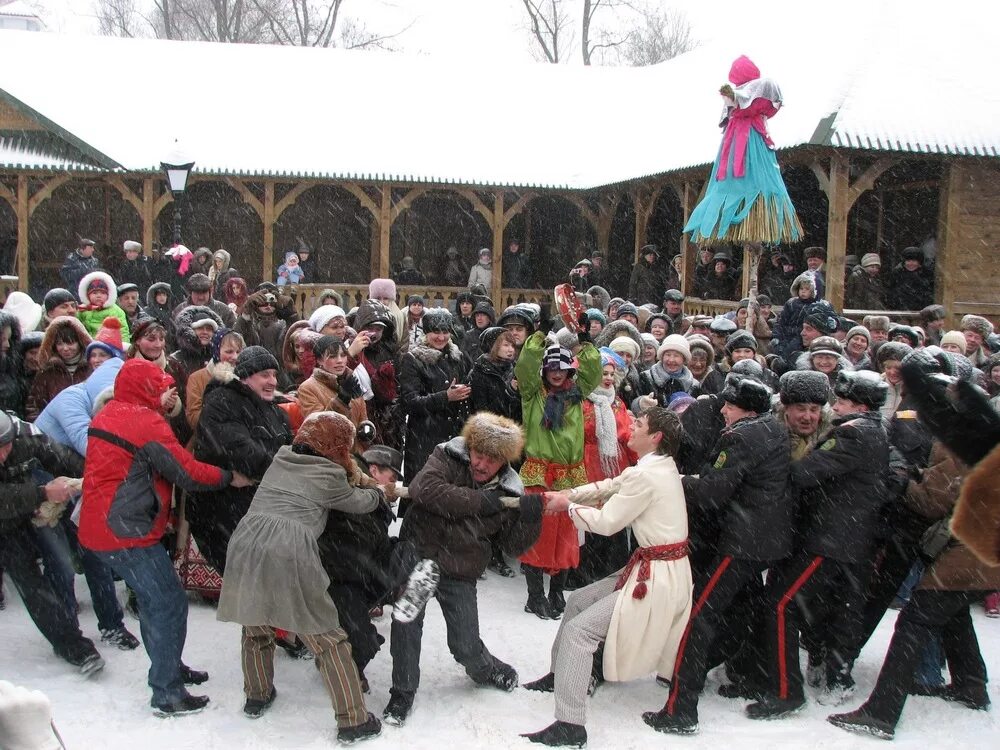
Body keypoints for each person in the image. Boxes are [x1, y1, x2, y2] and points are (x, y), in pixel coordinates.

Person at [79, 357, 252, 715]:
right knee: (168, 602)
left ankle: (169, 665)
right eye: (161, 387)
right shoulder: (144, 422)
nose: (168, 392)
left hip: (101, 524)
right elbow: (185, 471)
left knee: (154, 601)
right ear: (146, 390)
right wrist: (227, 477)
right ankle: (167, 691)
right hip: (124, 531)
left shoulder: (112, 412)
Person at [521, 407, 692, 748]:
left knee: (578, 633)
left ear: (655, 437)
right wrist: (568, 496)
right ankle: (560, 675)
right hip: (653, 566)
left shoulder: (649, 474)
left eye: (639, 424)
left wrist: (566, 508)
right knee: (580, 602)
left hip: (656, 577)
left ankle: (570, 725)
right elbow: (611, 485)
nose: (632, 424)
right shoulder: (653, 466)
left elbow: (606, 523)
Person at [217, 412, 385, 742]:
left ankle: (257, 695)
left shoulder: (281, 458)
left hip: (247, 540)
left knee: (256, 623)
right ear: (338, 447)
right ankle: (353, 720)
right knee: (329, 640)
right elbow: (358, 502)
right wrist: (379, 493)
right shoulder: (329, 473)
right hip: (289, 547)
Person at [643, 377, 790, 736]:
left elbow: (712, 491)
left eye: (731, 405)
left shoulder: (740, 437)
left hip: (742, 542)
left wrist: (675, 481)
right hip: (767, 542)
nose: (723, 410)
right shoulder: (774, 429)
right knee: (745, 609)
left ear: (749, 411)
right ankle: (751, 675)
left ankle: (681, 708)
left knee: (700, 617)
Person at [828, 437, 998, 739]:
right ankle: (971, 684)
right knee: (954, 610)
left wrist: (906, 482)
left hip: (967, 556)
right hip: (986, 556)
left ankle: (881, 711)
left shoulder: (953, 443)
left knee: (914, 622)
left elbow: (933, 500)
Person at [384, 411, 544, 725]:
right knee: (407, 623)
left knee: (464, 644)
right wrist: (482, 502)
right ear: (469, 447)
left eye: (491, 459)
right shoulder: (448, 454)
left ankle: (487, 669)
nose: (481, 464)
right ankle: (402, 694)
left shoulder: (511, 490)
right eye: (478, 454)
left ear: (505, 461)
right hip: (422, 559)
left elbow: (512, 547)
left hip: (461, 568)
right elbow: (422, 489)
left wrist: (530, 518)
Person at [747, 370, 890, 719]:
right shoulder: (870, 431)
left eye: (825, 405)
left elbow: (804, 473)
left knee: (781, 605)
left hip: (830, 539)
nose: (813, 415)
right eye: (801, 408)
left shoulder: (848, 433)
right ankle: (821, 676)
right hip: (830, 537)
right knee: (830, 609)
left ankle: (787, 691)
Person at [0, 411, 105, 675]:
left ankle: (69, 635)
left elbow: (61, 457)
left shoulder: (26, 435)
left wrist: (93, 478)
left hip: (25, 514)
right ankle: (70, 641)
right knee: (30, 582)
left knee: (54, 567)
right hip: (12, 513)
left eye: (6, 447)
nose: (3, 455)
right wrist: (42, 493)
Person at [517, 319, 601, 619]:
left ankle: (556, 593)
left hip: (570, 474)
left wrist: (582, 338)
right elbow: (525, 365)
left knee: (568, 536)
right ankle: (534, 595)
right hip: (539, 473)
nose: (556, 372)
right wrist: (540, 334)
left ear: (570, 371)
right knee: (536, 534)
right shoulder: (531, 394)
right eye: (551, 368)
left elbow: (593, 367)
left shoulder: (578, 394)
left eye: (562, 368)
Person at [187, 346, 293, 575]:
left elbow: (290, 452)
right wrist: (285, 473)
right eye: (265, 374)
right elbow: (242, 452)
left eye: (274, 374)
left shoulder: (275, 412)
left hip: (258, 507)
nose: (272, 381)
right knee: (246, 580)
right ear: (244, 377)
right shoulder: (222, 402)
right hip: (222, 513)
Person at [568, 348, 638, 588]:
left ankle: (609, 571)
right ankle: (582, 572)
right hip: (586, 462)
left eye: (611, 373)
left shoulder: (618, 403)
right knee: (588, 519)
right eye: (602, 373)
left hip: (614, 465)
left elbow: (627, 434)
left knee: (613, 519)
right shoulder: (580, 400)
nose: (608, 378)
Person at [398, 308, 472, 488]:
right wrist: (445, 396)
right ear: (426, 333)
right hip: (424, 438)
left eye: (445, 332)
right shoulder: (412, 359)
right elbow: (410, 402)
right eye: (435, 332)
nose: (441, 337)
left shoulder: (458, 358)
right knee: (424, 491)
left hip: (454, 436)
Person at [25, 316, 93, 422]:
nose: (65, 348)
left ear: (80, 342)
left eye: (70, 343)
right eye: (59, 344)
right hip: (54, 430)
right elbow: (34, 406)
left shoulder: (92, 367)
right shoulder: (47, 370)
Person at [75, 271, 131, 343]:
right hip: (87, 345)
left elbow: (123, 330)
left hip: (108, 344)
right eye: (94, 293)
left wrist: (123, 346)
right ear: (87, 295)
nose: (98, 296)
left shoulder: (115, 310)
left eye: (103, 293)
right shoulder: (83, 310)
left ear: (109, 295)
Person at [171, 273, 236, 328]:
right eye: (197, 293)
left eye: (204, 292)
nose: (201, 297)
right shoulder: (179, 311)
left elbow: (233, 336)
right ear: (190, 293)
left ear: (210, 292)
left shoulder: (224, 311)